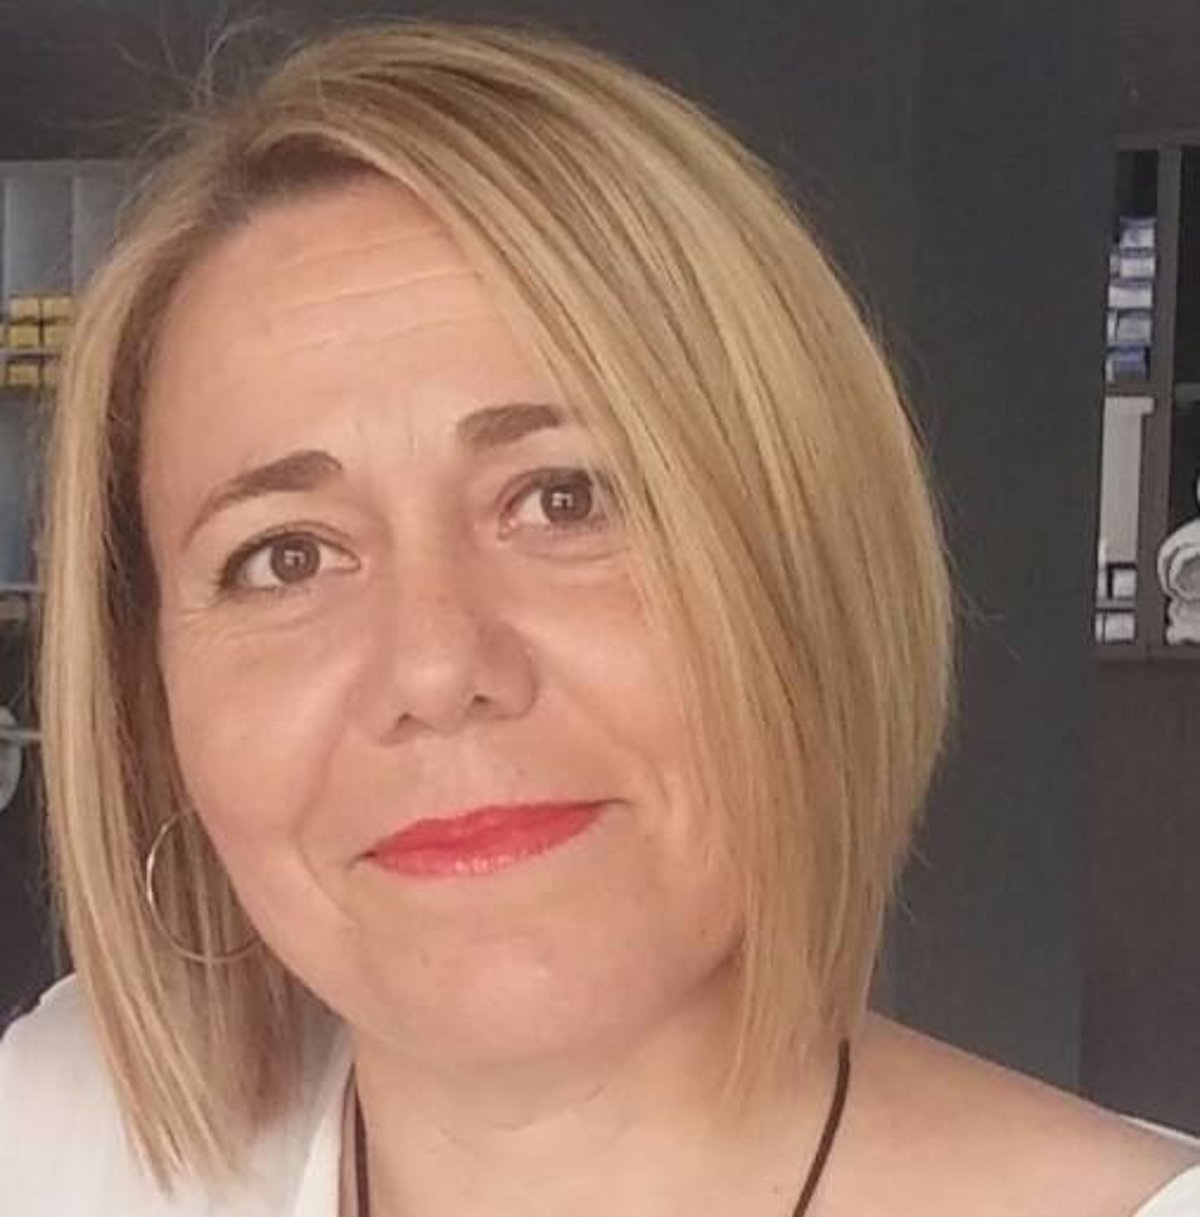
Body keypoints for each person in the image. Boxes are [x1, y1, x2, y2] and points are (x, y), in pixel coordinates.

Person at [0, 18, 1196, 1217]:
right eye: (285, 556)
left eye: (565, 497)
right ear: (151, 706)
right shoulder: (53, 1136)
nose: (435, 666)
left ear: (804, 573)